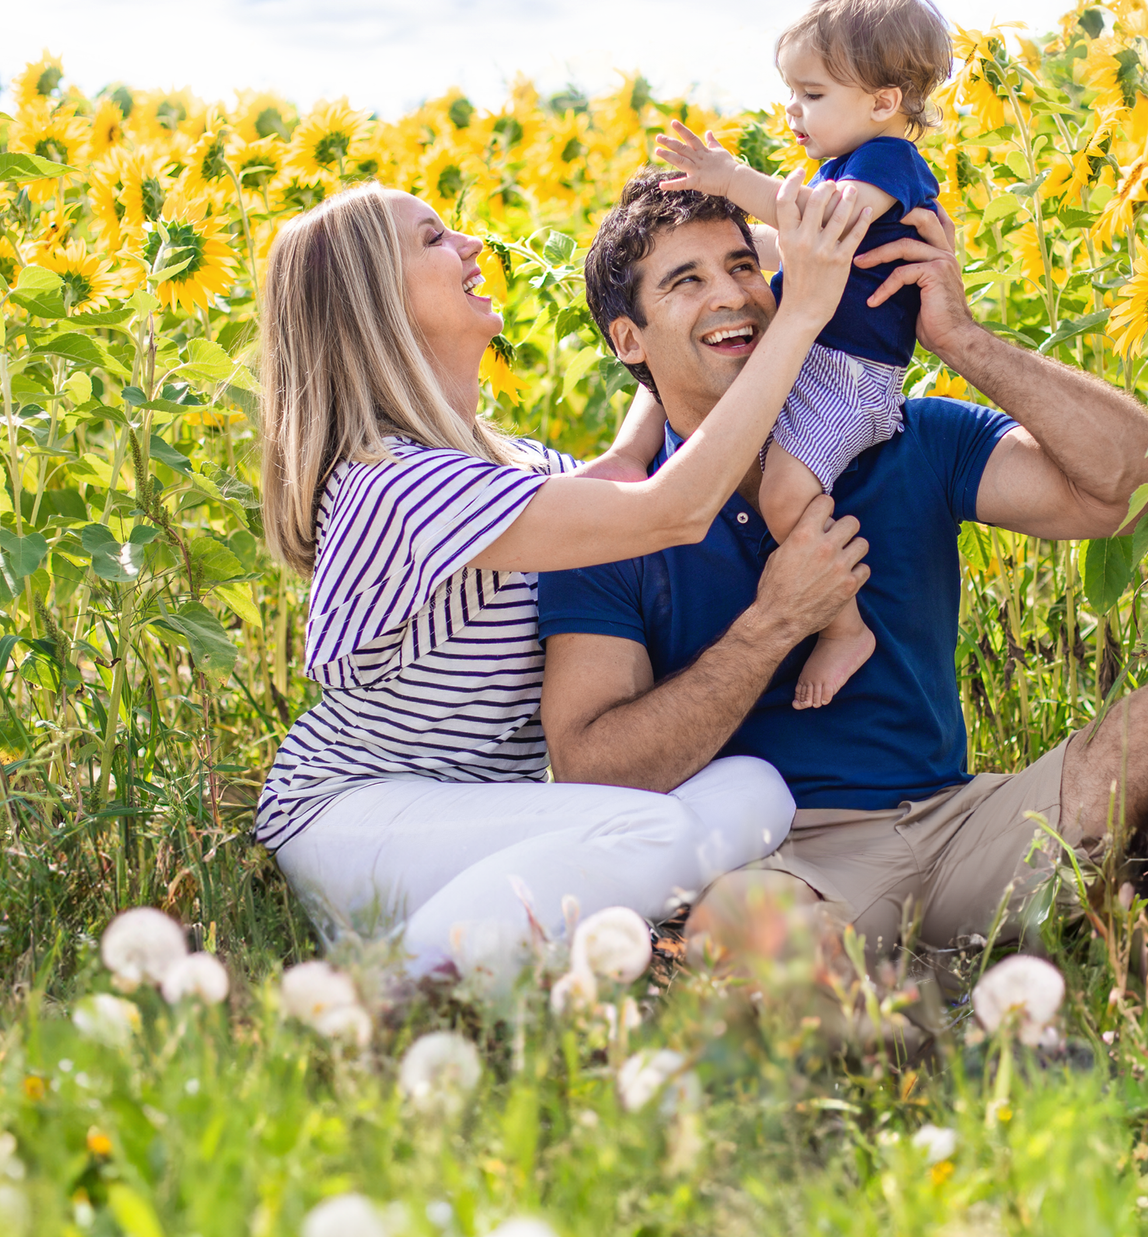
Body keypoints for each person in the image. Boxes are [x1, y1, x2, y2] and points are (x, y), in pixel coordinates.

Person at [535, 172, 1148, 999]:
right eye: (686, 281)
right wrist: (776, 622)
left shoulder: (904, 437)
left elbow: (1146, 484)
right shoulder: (608, 522)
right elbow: (592, 770)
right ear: (630, 340)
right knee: (742, 942)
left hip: (961, 824)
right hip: (785, 860)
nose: (732, 296)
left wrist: (962, 339)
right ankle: (935, 1034)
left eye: (743, 267)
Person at [251, 177, 876, 977]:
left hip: (478, 821)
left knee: (757, 789)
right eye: (435, 239)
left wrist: (710, 292)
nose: (472, 245)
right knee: (651, 834)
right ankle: (388, 988)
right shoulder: (394, 484)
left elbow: (625, 465)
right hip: (352, 815)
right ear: (374, 301)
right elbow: (674, 507)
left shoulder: (511, 468)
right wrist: (801, 317)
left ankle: (495, 940)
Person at [653, 0, 952, 710]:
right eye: (790, 92)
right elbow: (795, 248)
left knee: (786, 496)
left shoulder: (889, 163)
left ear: (883, 102)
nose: (793, 111)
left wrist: (731, 180)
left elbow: (821, 230)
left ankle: (844, 627)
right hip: (814, 359)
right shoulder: (841, 167)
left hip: (850, 377)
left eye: (812, 94)